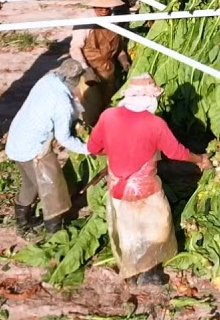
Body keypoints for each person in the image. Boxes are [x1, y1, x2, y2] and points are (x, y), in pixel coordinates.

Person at [87, 74, 210, 286]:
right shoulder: (154, 123)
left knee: (129, 228)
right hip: (144, 186)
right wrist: (199, 159)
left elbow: (92, 148)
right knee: (156, 225)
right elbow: (176, 152)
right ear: (150, 99)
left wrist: (118, 151)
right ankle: (150, 273)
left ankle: (132, 273)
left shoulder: (108, 116)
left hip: (117, 185)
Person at [4, 58, 89, 235]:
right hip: (34, 149)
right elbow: (64, 138)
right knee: (53, 190)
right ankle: (54, 230)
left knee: (30, 184)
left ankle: (23, 222)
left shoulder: (47, 80)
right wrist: (88, 148)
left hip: (17, 139)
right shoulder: (62, 103)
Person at [70, 0, 131, 124]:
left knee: (108, 106)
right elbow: (75, 48)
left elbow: (118, 47)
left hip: (109, 72)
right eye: (100, 7)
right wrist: (86, 69)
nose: (104, 10)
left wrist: (124, 60)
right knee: (92, 109)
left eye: (107, 7)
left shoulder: (114, 20)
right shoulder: (85, 22)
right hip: (90, 72)